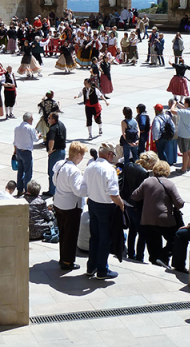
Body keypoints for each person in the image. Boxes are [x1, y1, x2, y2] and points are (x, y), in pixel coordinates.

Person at [131, 160, 185, 267]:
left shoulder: (147, 181)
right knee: (175, 240)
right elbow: (179, 203)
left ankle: (156, 262)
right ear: (167, 171)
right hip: (165, 219)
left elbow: (134, 196)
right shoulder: (170, 184)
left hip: (148, 220)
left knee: (153, 244)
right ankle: (164, 256)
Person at [83, 142, 124, 279]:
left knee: (94, 237)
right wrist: (121, 204)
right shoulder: (109, 169)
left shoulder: (91, 166)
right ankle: (102, 270)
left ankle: (91, 266)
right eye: (112, 154)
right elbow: (113, 194)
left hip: (93, 204)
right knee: (105, 239)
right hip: (106, 208)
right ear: (109, 154)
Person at [52, 141, 88, 270]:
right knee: (70, 235)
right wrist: (89, 187)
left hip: (59, 203)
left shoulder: (60, 164)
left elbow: (54, 181)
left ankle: (63, 258)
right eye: (82, 155)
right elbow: (79, 190)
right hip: (71, 207)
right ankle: (67, 261)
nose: (82, 158)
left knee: (63, 233)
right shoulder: (74, 171)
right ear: (78, 155)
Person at [121, 150, 157, 263]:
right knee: (142, 233)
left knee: (132, 230)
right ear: (149, 162)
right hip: (137, 206)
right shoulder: (144, 174)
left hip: (126, 202)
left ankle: (131, 253)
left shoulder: (129, 165)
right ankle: (139, 256)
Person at [13, 112, 37, 196]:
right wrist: (39, 135)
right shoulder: (30, 128)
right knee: (28, 172)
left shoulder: (17, 128)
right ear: (29, 120)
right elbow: (35, 139)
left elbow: (15, 142)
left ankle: (19, 189)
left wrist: (15, 152)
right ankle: (27, 190)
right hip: (26, 152)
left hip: (19, 151)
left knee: (20, 171)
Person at [170, 98, 190, 173]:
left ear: (187, 103)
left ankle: (183, 168)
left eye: (184, 103)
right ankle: (189, 165)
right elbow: (185, 108)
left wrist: (174, 104)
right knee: (189, 150)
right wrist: (178, 104)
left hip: (184, 134)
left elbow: (172, 111)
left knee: (184, 152)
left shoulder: (185, 112)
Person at [45, 112, 67, 196]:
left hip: (55, 153)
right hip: (62, 151)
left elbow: (51, 140)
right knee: (59, 172)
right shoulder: (61, 125)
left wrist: (50, 150)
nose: (48, 119)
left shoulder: (53, 128)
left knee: (52, 172)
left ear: (53, 120)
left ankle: (52, 191)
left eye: (49, 118)